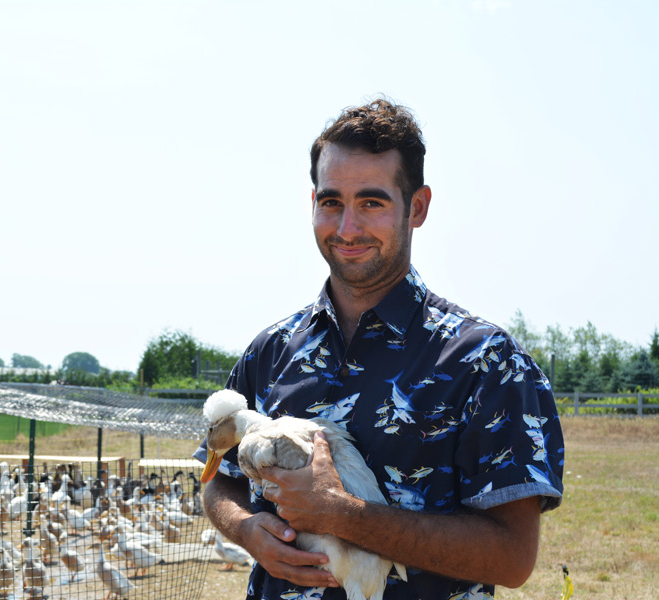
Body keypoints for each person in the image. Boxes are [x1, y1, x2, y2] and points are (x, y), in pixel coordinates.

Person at [194, 98, 564, 600]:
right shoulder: (272, 351)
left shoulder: (483, 361)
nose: (347, 229)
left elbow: (512, 557)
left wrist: (342, 515)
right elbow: (221, 481)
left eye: (372, 203)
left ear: (417, 207)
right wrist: (245, 531)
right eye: (331, 202)